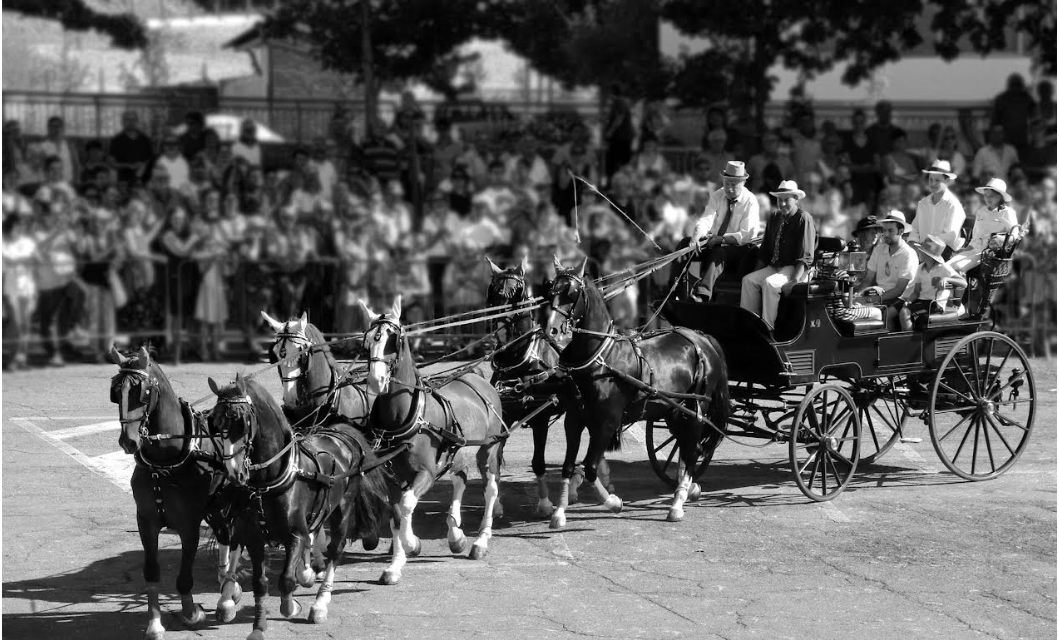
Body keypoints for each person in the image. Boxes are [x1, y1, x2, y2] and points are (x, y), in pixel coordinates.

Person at [740, 180, 816, 329]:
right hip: (776, 266)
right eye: (779, 200)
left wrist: (794, 281)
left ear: (795, 199)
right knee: (748, 281)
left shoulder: (804, 218)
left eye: (786, 200)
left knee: (770, 283)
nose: (782, 204)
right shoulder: (774, 217)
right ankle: (748, 328)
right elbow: (765, 251)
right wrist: (757, 273)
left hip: (795, 268)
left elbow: (805, 256)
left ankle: (768, 330)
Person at [688, 161, 761, 301]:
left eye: (734, 184)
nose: (729, 188)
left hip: (738, 249)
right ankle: (674, 289)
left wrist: (721, 239)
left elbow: (746, 235)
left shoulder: (750, 201)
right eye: (727, 183)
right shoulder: (717, 195)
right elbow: (706, 220)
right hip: (714, 242)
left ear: (743, 183)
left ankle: (702, 295)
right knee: (685, 245)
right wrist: (696, 237)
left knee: (719, 252)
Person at [853, 211, 919, 323]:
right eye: (884, 230)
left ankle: (889, 340)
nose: (886, 234)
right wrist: (856, 296)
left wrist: (870, 299)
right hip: (880, 296)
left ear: (901, 231)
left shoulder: (909, 254)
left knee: (883, 314)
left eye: (890, 230)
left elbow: (899, 290)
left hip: (902, 299)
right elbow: (868, 280)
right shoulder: (879, 250)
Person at [896, 234, 966, 331]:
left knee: (905, 313)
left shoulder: (943, 268)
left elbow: (963, 283)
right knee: (902, 310)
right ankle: (909, 338)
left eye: (921, 251)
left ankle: (908, 342)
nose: (919, 252)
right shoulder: (920, 268)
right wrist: (909, 301)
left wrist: (947, 279)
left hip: (936, 304)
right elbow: (916, 292)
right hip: (921, 302)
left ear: (928, 255)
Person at [909, 160, 967, 258]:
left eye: (937, 180)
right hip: (923, 251)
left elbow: (951, 235)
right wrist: (912, 241)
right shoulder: (923, 203)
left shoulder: (953, 204)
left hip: (945, 252)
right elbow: (915, 229)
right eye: (930, 179)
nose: (933, 184)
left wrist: (929, 243)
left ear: (947, 181)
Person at [110, 110, 154, 185]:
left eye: (133, 119)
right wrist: (128, 166)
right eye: (128, 119)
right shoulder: (116, 140)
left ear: (137, 121)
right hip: (123, 181)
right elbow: (111, 163)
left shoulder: (145, 139)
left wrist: (143, 166)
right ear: (122, 122)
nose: (131, 122)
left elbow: (151, 159)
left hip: (144, 180)